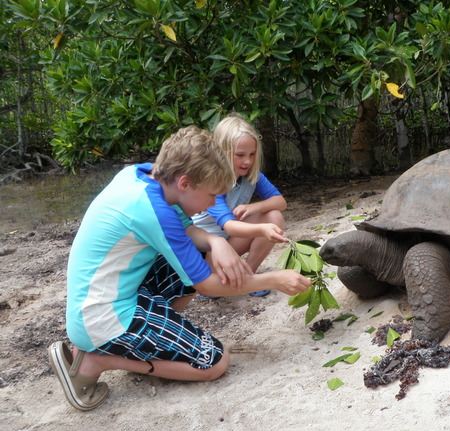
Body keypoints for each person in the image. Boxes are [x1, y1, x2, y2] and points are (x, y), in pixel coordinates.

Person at [48, 125, 311, 411]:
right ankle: (97, 359)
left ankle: (139, 342)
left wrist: (215, 241)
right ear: (185, 183)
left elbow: (188, 233)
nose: (212, 204)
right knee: (214, 362)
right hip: (102, 318)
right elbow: (207, 285)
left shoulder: (141, 174)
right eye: (211, 195)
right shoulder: (153, 210)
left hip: (107, 301)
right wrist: (273, 279)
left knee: (194, 257)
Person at [192, 115, 287, 298]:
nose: (247, 161)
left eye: (252, 154)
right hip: (206, 250)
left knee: (274, 216)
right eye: (240, 155)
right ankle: (213, 281)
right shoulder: (213, 181)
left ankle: (247, 278)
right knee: (268, 225)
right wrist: (262, 229)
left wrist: (254, 208)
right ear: (223, 152)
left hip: (226, 242)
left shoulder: (252, 174)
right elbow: (229, 225)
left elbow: (280, 202)